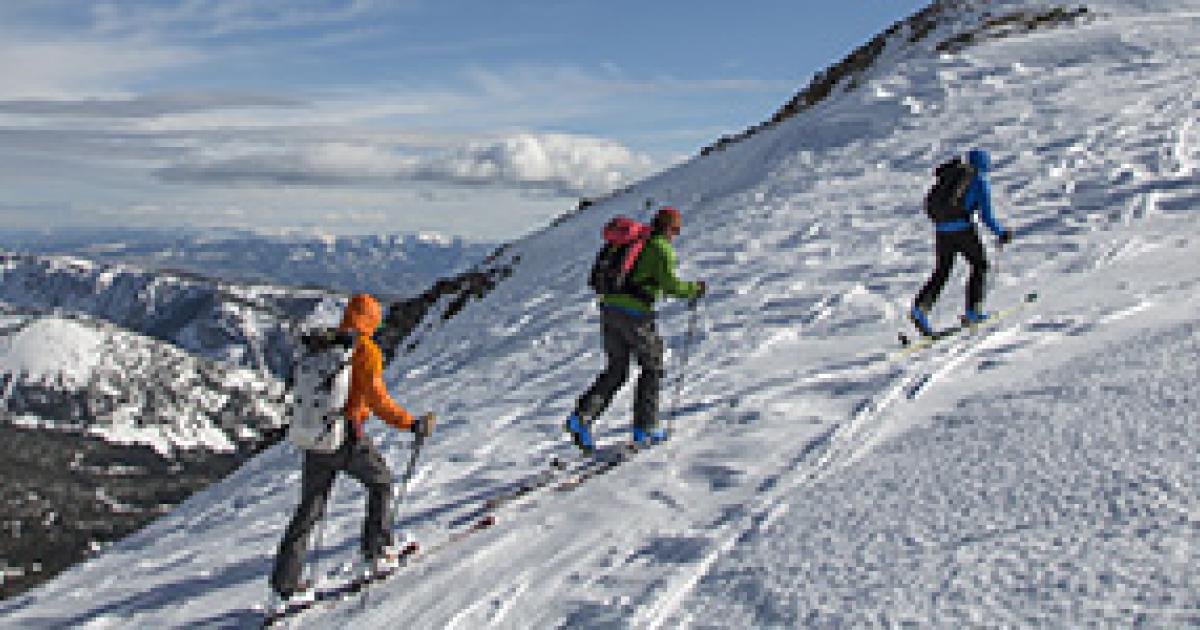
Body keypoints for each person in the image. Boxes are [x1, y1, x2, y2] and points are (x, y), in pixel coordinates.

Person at [270, 293, 433, 601]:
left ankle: (283, 585)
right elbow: (377, 400)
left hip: (315, 437)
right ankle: (375, 552)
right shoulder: (365, 351)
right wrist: (410, 423)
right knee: (381, 482)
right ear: (373, 319)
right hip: (346, 437)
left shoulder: (328, 343)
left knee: (309, 510)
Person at [565, 206, 706, 451]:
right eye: (675, 230)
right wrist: (694, 289)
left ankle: (581, 417)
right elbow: (670, 286)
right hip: (635, 315)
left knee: (616, 369)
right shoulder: (660, 248)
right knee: (652, 367)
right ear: (669, 228)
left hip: (609, 310)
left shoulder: (635, 243)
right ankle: (645, 428)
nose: (675, 235)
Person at [910, 148, 1012, 335]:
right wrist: (1001, 233)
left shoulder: (950, 177)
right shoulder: (979, 181)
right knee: (980, 265)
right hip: (962, 230)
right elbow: (986, 216)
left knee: (942, 271)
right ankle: (973, 312)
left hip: (941, 231)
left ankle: (920, 309)